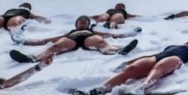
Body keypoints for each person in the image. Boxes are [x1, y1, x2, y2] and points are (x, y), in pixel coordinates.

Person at [70, 42, 188, 95]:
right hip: (156, 56)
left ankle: (142, 88)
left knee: (159, 68)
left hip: (175, 59)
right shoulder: (171, 46)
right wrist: (130, 61)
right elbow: (149, 55)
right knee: (132, 69)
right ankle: (100, 88)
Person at [8, 15, 139, 64]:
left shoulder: (92, 31)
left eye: (85, 20)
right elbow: (45, 40)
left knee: (100, 42)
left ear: (88, 24)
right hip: (71, 40)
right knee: (55, 47)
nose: (82, 21)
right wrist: (24, 41)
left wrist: (130, 34)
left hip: (89, 38)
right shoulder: (70, 32)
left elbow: (113, 36)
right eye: (80, 20)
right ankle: (32, 58)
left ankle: (118, 51)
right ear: (76, 24)